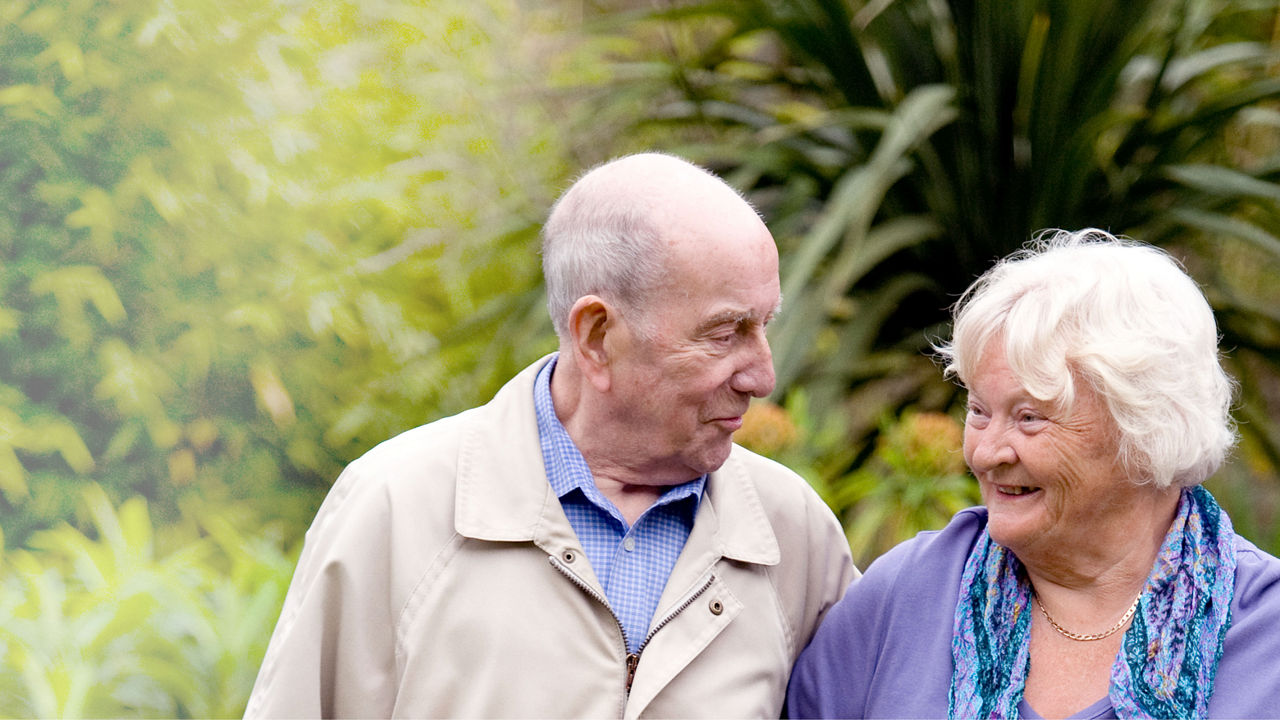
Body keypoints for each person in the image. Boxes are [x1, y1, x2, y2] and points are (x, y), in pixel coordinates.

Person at [245, 152, 856, 718]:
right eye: (726, 333)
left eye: (765, 325)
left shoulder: (796, 534)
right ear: (595, 336)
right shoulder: (395, 507)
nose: (764, 376)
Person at [787, 229, 1280, 718]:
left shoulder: (1265, 629)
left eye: (1029, 418)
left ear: (1146, 428)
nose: (986, 453)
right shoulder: (908, 593)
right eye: (979, 411)